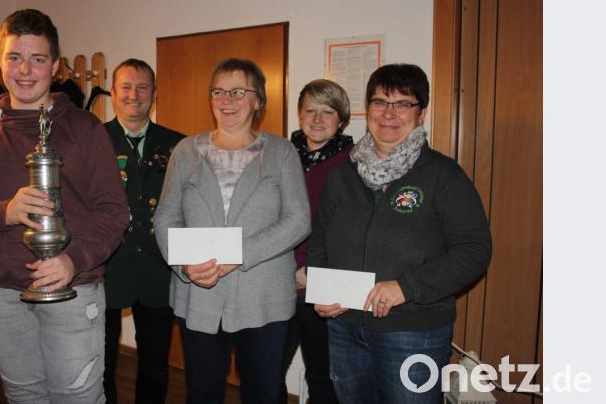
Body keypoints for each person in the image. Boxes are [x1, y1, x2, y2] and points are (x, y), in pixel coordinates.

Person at [0, 9, 129, 404]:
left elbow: (114, 212)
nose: (25, 70)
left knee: (78, 397)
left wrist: (72, 260)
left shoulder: (85, 128)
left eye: (37, 59)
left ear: (55, 66)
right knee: (24, 397)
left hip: (73, 289)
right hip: (0, 295)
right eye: (14, 58)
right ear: (0, 61)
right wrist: (3, 211)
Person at [307, 63, 492, 404]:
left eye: (403, 103)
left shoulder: (444, 175)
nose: (389, 113)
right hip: (344, 326)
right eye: (380, 102)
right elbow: (319, 238)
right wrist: (322, 287)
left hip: (413, 331)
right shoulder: (343, 174)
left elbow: (474, 249)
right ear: (368, 110)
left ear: (421, 114)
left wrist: (407, 287)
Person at [154, 58, 310, 403]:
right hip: (200, 294)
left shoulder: (282, 153)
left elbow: (299, 220)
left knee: (263, 392)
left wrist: (239, 253)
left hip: (263, 296)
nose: (227, 100)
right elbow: (165, 215)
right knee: (203, 391)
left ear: (258, 100)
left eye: (239, 91)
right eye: (219, 92)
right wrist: (183, 265)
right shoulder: (185, 151)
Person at [103, 59, 184, 404]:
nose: (134, 95)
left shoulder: (178, 145)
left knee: (154, 364)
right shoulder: (94, 140)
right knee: (102, 362)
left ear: (154, 93)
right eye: (126, 87)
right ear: (112, 93)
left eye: (142, 87)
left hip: (158, 269)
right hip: (106, 267)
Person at [281, 79, 353, 404]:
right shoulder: (279, 154)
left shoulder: (355, 162)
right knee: (266, 369)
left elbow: (354, 227)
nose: (317, 119)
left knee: (322, 377)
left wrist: (313, 269)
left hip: (322, 283)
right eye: (310, 110)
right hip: (276, 282)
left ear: (341, 119)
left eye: (327, 111)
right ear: (299, 115)